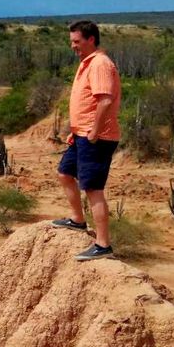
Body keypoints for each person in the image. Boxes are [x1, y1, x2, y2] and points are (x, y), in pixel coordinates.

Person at [52, 20, 121, 261]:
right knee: (64, 172)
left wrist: (93, 131)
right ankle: (77, 220)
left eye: (77, 41)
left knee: (93, 189)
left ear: (91, 39)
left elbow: (104, 100)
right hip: (82, 134)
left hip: (97, 138)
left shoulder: (100, 64)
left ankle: (103, 245)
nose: (73, 46)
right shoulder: (87, 63)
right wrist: (78, 129)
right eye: (72, 42)